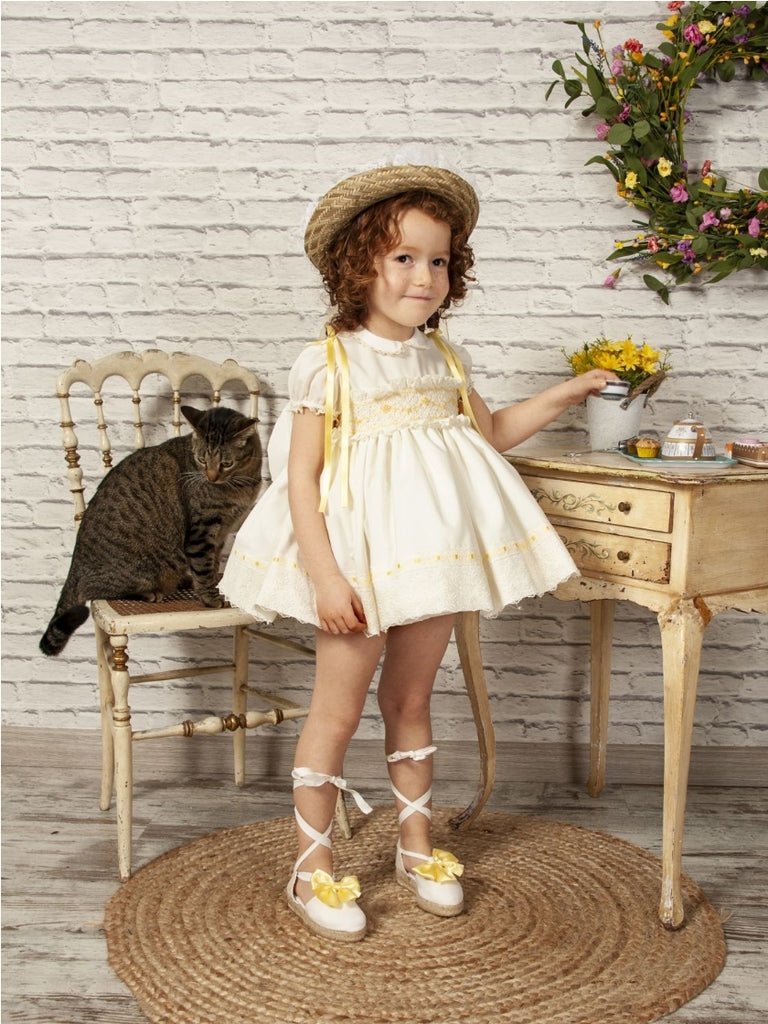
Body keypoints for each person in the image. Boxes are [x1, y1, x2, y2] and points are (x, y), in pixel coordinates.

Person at [219, 162, 617, 942]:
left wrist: (563, 395)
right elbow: (299, 477)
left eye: (438, 260)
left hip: (428, 560)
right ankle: (311, 865)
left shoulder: (443, 358)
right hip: (355, 563)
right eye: (404, 257)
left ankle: (414, 846)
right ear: (359, 265)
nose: (424, 277)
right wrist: (325, 576)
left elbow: (489, 434)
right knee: (337, 712)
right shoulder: (329, 361)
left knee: (409, 702)